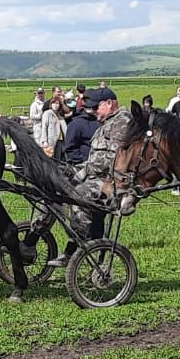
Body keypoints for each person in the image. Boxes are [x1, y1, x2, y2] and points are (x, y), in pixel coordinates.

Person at [47, 88, 128, 266]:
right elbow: (95, 158)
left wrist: (82, 172)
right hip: (95, 174)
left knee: (79, 194)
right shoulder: (107, 122)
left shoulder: (122, 123)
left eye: (96, 107)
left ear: (109, 103)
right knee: (54, 185)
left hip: (111, 180)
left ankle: (74, 246)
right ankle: (36, 234)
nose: (92, 111)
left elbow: (111, 159)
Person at [61, 86, 101, 164]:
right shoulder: (76, 123)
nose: (89, 104)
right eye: (86, 101)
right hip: (84, 165)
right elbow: (70, 148)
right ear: (83, 102)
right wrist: (84, 160)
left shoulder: (103, 121)